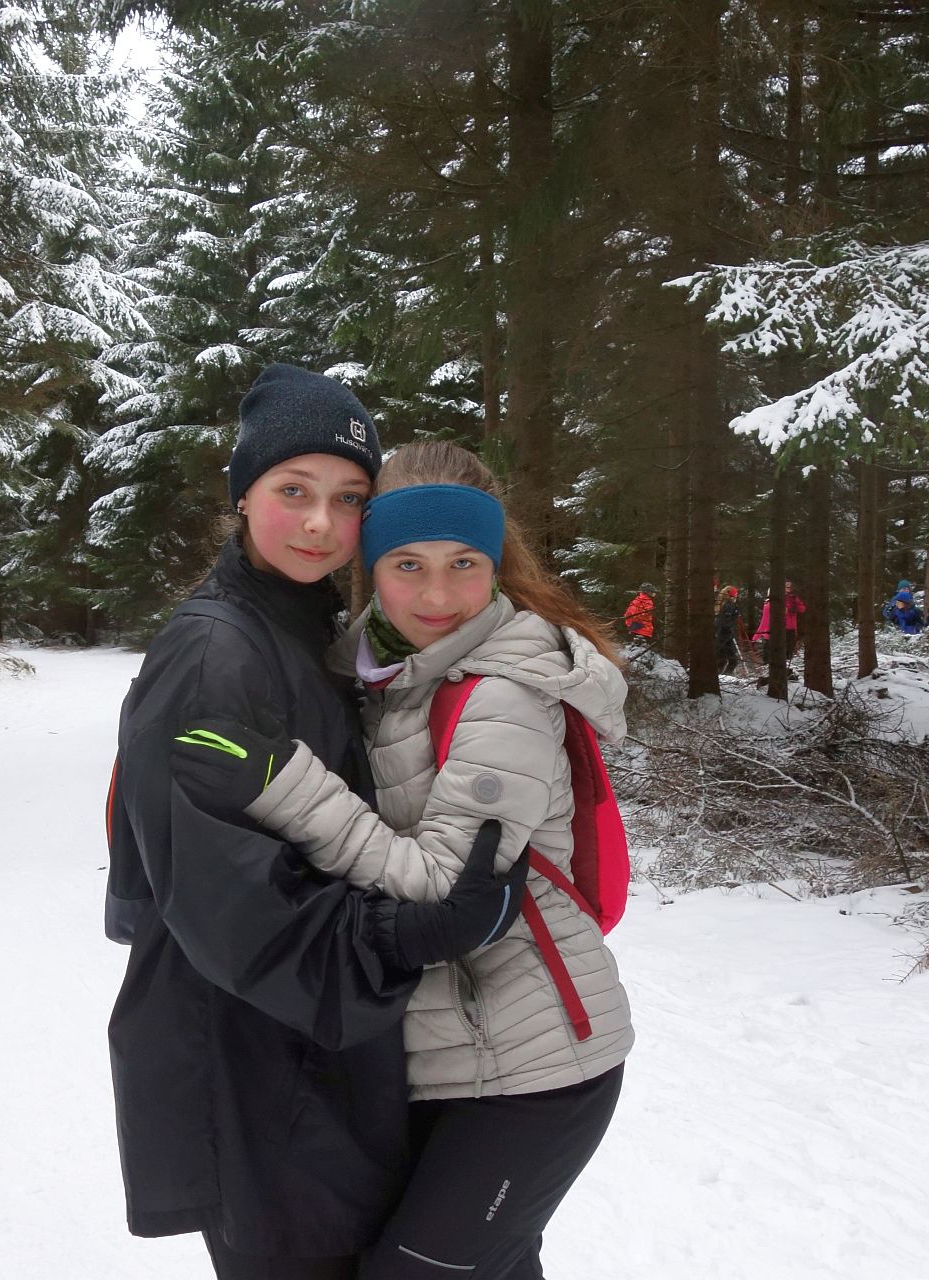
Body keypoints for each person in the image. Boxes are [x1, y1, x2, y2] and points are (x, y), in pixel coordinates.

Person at [106, 365, 529, 1279]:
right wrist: (401, 934)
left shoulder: (304, 626)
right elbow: (225, 900)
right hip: (260, 1082)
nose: (319, 524)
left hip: (308, 1063)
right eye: (293, 491)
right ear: (243, 495)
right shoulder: (216, 651)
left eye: (348, 499)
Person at [175, 441, 633, 1279]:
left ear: (495, 564)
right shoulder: (384, 673)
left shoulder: (499, 692)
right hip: (444, 1063)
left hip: (534, 1069)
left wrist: (284, 784)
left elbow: (444, 890)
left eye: (464, 564)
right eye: (408, 564)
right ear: (372, 569)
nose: (437, 596)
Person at [715, 584, 742, 673]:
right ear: (733, 595)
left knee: (722, 660)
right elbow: (725, 622)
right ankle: (726, 676)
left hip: (722, 636)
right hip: (725, 637)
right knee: (732, 661)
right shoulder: (728, 605)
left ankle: (721, 676)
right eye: (736, 594)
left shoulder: (724, 604)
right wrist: (730, 631)